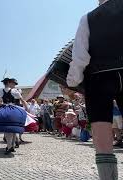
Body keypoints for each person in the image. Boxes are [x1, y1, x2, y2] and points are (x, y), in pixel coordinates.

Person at [66, 0, 122, 178]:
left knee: (102, 135)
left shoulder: (89, 18)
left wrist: (72, 82)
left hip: (99, 77)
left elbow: (80, 57)